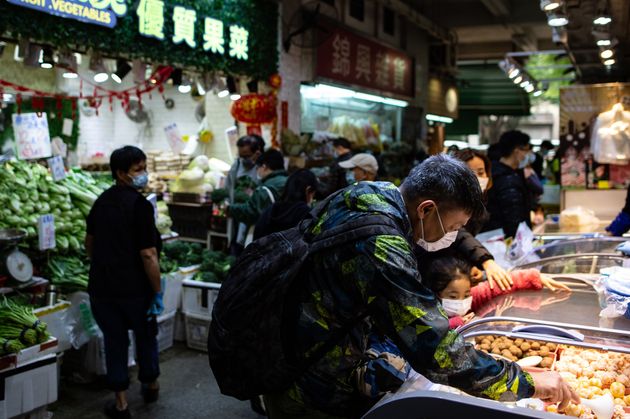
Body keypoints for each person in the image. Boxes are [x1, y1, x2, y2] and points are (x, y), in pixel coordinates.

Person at [263, 154, 577, 418]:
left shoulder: (371, 194)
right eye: (453, 227)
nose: (452, 235)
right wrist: (524, 383)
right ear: (426, 209)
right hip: (309, 386)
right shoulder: (382, 244)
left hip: (297, 356)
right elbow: (436, 351)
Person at [85, 146, 163, 419]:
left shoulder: (101, 202)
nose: (144, 174)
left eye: (144, 167)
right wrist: (157, 291)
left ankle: (121, 404)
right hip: (135, 290)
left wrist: (105, 263)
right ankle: (151, 384)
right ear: (121, 173)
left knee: (114, 342)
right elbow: (149, 254)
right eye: (138, 169)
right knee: (145, 337)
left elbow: (90, 243)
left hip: (102, 289)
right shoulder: (140, 206)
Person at [422, 256, 570, 329]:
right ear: (436, 294)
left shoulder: (473, 299)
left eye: (466, 294)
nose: (462, 301)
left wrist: (533, 277)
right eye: (453, 296)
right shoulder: (424, 313)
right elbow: (427, 331)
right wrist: (456, 323)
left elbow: (496, 287)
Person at [485, 130, 537, 238]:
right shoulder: (507, 178)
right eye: (527, 150)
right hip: (506, 241)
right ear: (517, 151)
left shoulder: (496, 171)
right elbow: (513, 217)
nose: (528, 155)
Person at [229, 149, 288, 242]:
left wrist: (230, 209)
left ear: (264, 167)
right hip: (286, 236)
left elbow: (251, 212)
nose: (257, 171)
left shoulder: (265, 189)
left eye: (257, 168)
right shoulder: (290, 181)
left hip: (268, 237)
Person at [225, 135, 265, 255]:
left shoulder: (263, 167)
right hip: (236, 214)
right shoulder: (236, 165)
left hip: (254, 217)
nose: (244, 159)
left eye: (247, 156)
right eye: (241, 156)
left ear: (257, 152)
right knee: (235, 245)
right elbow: (228, 187)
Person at [254, 169, 318, 240]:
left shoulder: (270, 209)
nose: (312, 200)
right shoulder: (306, 214)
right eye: (313, 195)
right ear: (308, 190)